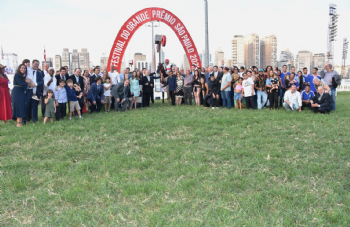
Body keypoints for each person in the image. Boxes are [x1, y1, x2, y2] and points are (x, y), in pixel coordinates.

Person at [23, 59, 44, 124]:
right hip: (28, 91)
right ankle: (26, 119)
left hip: (36, 91)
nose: (36, 65)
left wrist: (36, 84)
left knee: (35, 106)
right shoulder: (27, 70)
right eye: (35, 64)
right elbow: (23, 78)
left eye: (38, 64)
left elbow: (42, 82)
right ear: (32, 64)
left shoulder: (39, 73)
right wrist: (28, 83)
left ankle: (34, 119)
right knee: (27, 105)